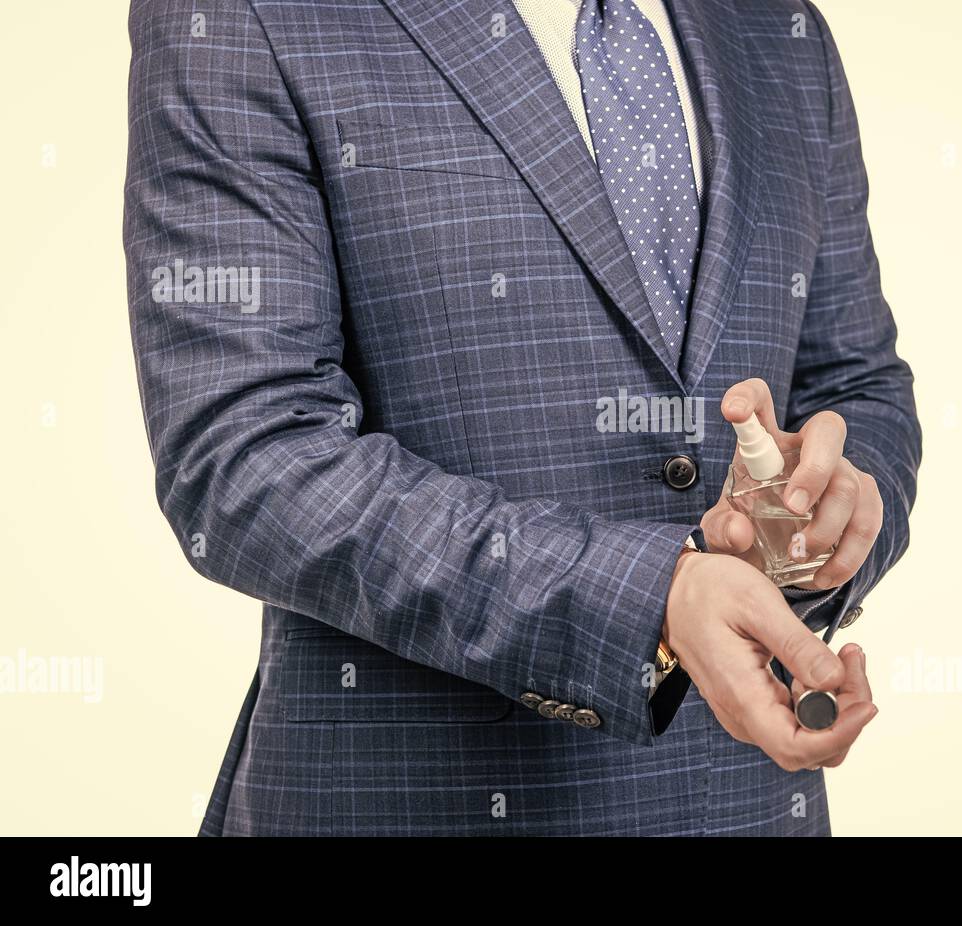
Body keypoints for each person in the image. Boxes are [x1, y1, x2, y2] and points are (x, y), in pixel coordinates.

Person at [124, 0, 921, 836]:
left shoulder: (775, 27)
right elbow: (245, 456)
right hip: (416, 805)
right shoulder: (246, 14)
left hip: (746, 806)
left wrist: (831, 510)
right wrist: (651, 597)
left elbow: (857, 381)